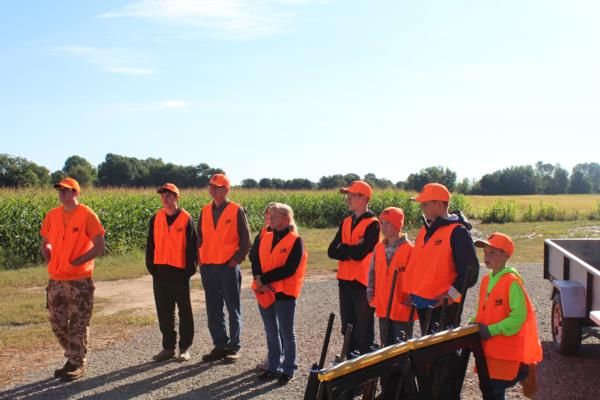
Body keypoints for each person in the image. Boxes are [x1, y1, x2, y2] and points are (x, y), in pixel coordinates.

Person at [40, 177, 105, 380]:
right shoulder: (52, 216)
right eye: (59, 190)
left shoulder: (87, 215)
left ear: (75, 193)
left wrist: (79, 261)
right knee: (57, 321)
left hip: (80, 279)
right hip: (56, 279)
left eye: (66, 190)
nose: (61, 193)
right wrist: (50, 259)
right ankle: (72, 357)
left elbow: (99, 245)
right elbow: (45, 242)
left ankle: (78, 363)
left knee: (78, 321)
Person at [473, 232, 542, 400]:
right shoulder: (485, 280)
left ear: (506, 255)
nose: (486, 257)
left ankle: (523, 370)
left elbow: (518, 317)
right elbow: (483, 311)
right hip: (489, 351)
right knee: (487, 387)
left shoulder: (512, 282)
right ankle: (523, 371)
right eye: (485, 252)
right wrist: (471, 324)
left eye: (492, 253)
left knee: (493, 390)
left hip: (505, 354)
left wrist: (491, 330)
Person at [404, 183, 479, 334]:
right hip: (423, 303)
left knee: (444, 354)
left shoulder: (458, 232)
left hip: (443, 306)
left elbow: (470, 271)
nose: (422, 208)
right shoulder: (425, 231)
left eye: (425, 204)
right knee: (430, 352)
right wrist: (412, 293)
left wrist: (450, 295)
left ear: (439, 204)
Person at [251, 203, 307, 385]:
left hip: (284, 293)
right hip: (265, 291)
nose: (271, 218)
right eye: (270, 215)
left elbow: (290, 268)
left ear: (286, 218)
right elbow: (255, 259)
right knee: (270, 332)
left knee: (286, 332)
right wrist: (260, 280)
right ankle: (273, 367)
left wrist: (264, 279)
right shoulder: (265, 236)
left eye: (275, 216)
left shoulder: (295, 240)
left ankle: (289, 368)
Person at [198, 173, 251, 362]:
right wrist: (200, 260)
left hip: (227, 267)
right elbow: (199, 238)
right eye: (211, 186)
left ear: (226, 189)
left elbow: (246, 241)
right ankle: (219, 345)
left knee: (232, 307)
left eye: (217, 186)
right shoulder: (204, 211)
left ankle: (234, 346)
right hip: (208, 268)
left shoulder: (236, 210)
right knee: (213, 308)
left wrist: (235, 260)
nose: (212, 189)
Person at [146, 183, 197, 362]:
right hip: (160, 272)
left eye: (169, 195)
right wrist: (153, 269)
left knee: (185, 311)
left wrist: (188, 271)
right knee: (164, 312)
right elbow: (150, 246)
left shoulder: (185, 218)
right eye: (163, 195)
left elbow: (192, 248)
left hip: (180, 272)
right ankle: (168, 348)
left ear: (176, 197)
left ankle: (185, 348)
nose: (165, 198)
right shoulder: (156, 218)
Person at [327, 180, 379, 357]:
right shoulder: (346, 221)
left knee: (363, 329)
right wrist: (353, 248)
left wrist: (345, 249)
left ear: (364, 198)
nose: (348, 198)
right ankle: (348, 361)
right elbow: (331, 251)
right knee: (347, 327)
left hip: (362, 283)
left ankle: (364, 366)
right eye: (347, 195)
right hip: (345, 281)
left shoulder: (373, 223)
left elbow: (361, 253)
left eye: (352, 195)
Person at [367, 207, 414, 346]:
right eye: (381, 222)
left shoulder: (410, 249)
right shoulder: (379, 248)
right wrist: (370, 294)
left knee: (401, 349)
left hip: (402, 308)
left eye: (388, 222)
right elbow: (372, 273)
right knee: (385, 348)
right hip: (383, 306)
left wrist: (412, 297)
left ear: (398, 225)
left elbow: (416, 276)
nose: (383, 226)